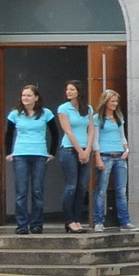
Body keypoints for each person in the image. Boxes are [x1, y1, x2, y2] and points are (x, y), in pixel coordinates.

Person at [5, 84, 58, 234]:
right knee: (21, 191)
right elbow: (9, 134)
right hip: (20, 154)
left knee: (37, 191)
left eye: (29, 95)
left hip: (39, 154)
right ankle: (22, 225)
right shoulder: (15, 114)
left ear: (36, 97)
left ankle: (36, 224)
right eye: (23, 95)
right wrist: (9, 153)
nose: (25, 98)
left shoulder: (46, 113)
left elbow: (55, 133)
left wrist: (51, 153)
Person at [90, 89, 132, 231]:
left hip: (120, 155)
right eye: (112, 101)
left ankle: (125, 221)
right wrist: (97, 158)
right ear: (105, 102)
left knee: (121, 191)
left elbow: (122, 136)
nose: (115, 104)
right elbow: (95, 139)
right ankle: (99, 221)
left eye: (116, 101)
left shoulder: (118, 117)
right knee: (101, 190)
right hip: (105, 155)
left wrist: (127, 150)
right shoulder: (97, 118)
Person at [56, 80, 92, 233]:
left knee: (82, 186)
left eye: (72, 89)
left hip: (85, 149)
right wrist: (80, 151)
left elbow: (91, 130)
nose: (68, 92)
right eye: (67, 89)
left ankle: (77, 219)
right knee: (71, 186)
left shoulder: (88, 108)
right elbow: (68, 131)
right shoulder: (63, 108)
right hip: (69, 150)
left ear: (79, 91)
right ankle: (69, 220)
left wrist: (87, 150)